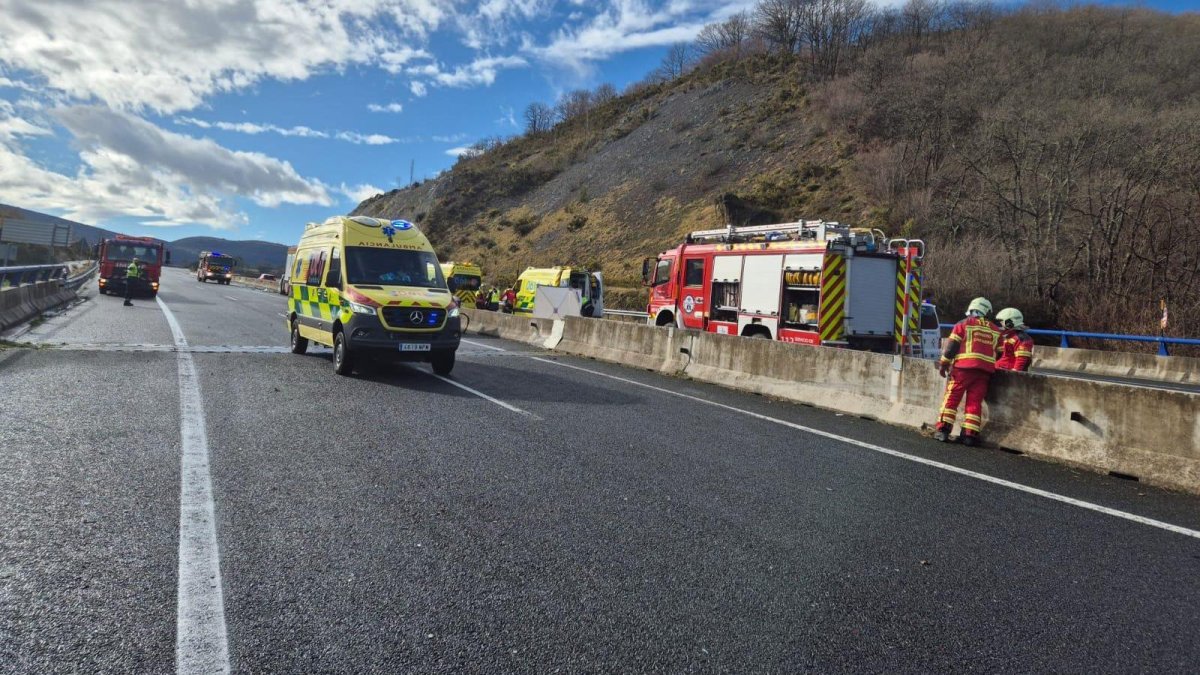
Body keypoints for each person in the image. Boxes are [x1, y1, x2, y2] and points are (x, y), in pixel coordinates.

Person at [934, 297, 1001, 446]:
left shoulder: (963, 324)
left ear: (971, 310)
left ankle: (943, 431)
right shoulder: (995, 330)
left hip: (962, 369)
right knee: (974, 403)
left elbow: (951, 347)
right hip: (984, 373)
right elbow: (1001, 353)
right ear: (986, 312)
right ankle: (969, 436)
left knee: (951, 399)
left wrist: (944, 363)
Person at [995, 307, 1034, 372]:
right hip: (1001, 369)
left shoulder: (1022, 339)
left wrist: (1014, 374)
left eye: (1002, 321)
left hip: (1007, 372)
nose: (1001, 324)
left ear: (1009, 322)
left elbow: (1021, 360)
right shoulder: (1008, 336)